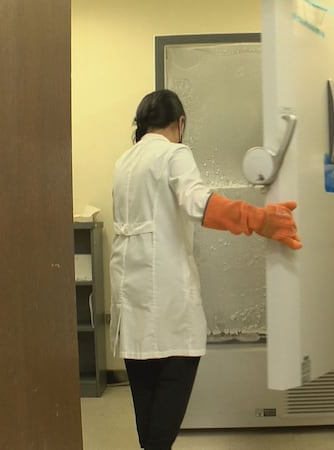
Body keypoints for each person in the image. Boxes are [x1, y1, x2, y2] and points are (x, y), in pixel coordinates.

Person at [109, 89, 301, 450]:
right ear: (180, 123)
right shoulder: (173, 153)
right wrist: (260, 219)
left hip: (131, 307)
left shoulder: (124, 162)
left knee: (148, 422)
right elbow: (200, 203)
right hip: (169, 307)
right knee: (162, 425)